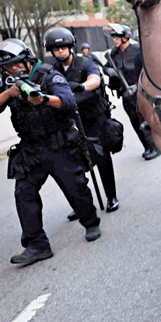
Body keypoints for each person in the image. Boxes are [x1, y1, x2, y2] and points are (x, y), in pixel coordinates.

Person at [0, 39, 101, 266]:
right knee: (23, 193)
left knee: (75, 188)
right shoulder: (9, 82)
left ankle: (91, 222)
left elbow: (67, 101)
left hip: (59, 145)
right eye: (8, 67)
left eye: (16, 65)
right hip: (31, 148)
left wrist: (43, 99)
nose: (12, 70)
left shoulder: (48, 75)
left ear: (27, 61)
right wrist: (10, 93)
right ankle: (37, 245)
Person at [45, 26, 119, 213]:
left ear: (71, 47)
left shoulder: (85, 63)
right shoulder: (52, 69)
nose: (60, 51)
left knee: (101, 158)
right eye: (55, 49)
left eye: (63, 47)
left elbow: (95, 80)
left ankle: (111, 196)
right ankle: (81, 204)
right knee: (73, 164)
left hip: (94, 118)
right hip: (71, 122)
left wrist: (80, 87)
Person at [104, 23, 160, 160]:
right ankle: (147, 147)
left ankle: (155, 146)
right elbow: (106, 67)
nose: (114, 40)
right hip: (125, 94)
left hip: (141, 92)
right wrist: (109, 71)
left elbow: (149, 69)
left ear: (125, 37)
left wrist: (137, 85)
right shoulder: (114, 53)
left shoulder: (137, 50)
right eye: (114, 37)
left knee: (144, 120)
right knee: (135, 122)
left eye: (117, 37)